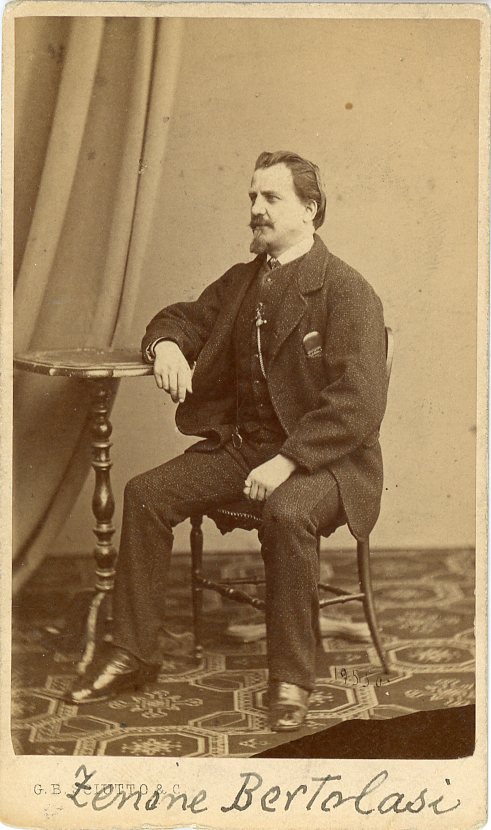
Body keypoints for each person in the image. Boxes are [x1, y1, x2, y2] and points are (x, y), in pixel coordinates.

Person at [67, 150, 388, 731]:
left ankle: (291, 677)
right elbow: (182, 318)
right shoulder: (243, 281)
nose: (256, 210)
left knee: (287, 513)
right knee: (145, 494)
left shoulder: (347, 291)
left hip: (329, 463)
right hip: (247, 447)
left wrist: (288, 460)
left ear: (310, 209)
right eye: (252, 197)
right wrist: (167, 346)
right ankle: (133, 652)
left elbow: (358, 404)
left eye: (271, 198)